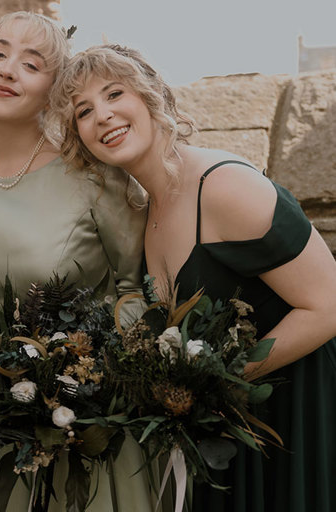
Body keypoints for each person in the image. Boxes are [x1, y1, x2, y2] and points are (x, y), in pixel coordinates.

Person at [52, 43, 336, 512]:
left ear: (152, 97)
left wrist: (217, 383)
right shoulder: (145, 210)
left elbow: (327, 305)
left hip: (295, 416)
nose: (102, 115)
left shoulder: (224, 187)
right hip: (226, 432)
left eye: (114, 93)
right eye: (84, 111)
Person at [0, 11, 156, 512]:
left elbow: (135, 285)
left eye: (31, 65)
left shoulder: (95, 174)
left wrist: (82, 377)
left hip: (89, 426)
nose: (8, 70)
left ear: (54, 91)